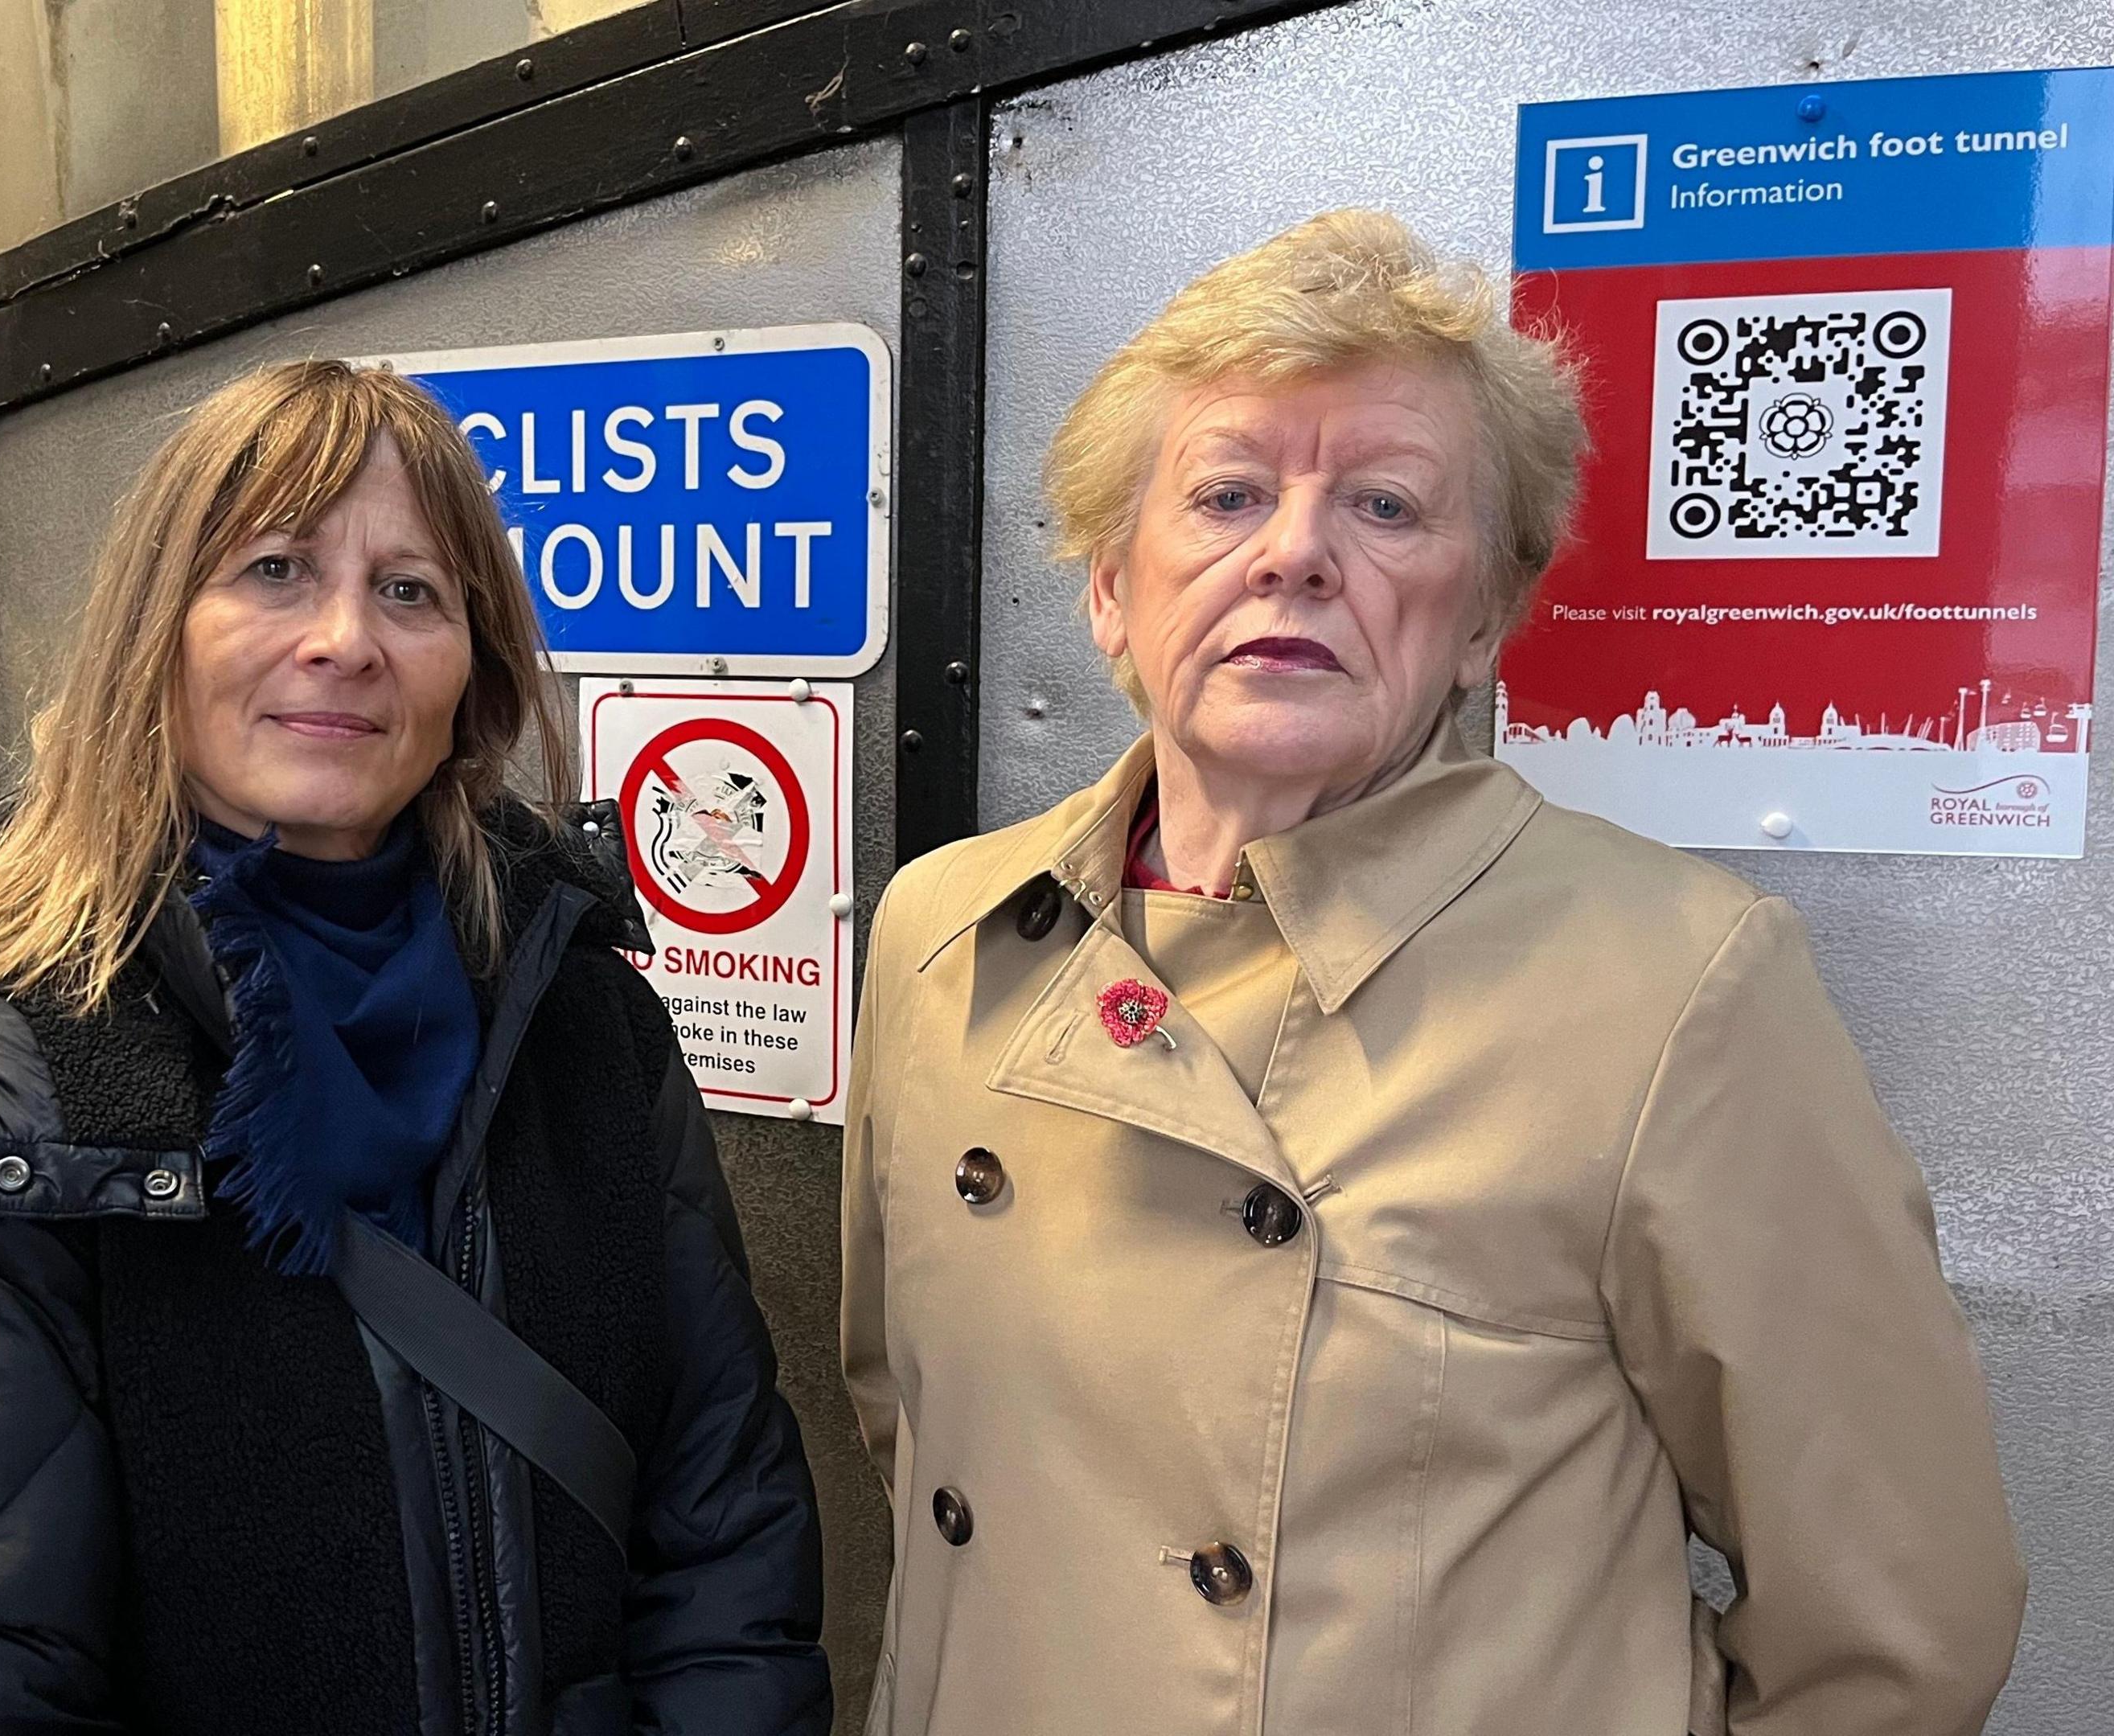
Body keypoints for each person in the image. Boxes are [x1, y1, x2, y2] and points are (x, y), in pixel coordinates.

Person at [841, 211, 2023, 1736]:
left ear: (1487, 620)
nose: (1297, 553)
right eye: (1225, 494)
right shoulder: (946, 927)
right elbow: (916, 1426)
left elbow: (1899, 1628)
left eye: (1390, 506)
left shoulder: (1677, 988)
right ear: (1111, 592)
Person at [0, 359, 831, 1735]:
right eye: (276, 570)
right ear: (156, 632)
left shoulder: (585, 1018)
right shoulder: (0, 1088)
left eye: (411, 590)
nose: (346, 638)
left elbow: (727, 1535)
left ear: (475, 669)